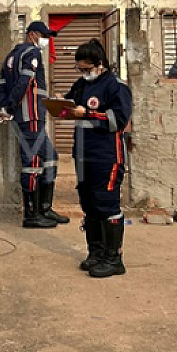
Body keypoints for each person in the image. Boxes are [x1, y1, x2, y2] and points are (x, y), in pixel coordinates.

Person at [63, 39, 132, 278]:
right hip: (83, 154)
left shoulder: (115, 86)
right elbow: (71, 104)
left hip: (107, 155)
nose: (83, 73)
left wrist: (89, 114)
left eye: (87, 68)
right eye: (80, 68)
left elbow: (119, 120)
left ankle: (114, 259)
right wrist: (61, 105)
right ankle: (96, 252)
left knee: (106, 203)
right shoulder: (81, 85)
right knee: (89, 203)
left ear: (99, 64)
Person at [0, 21, 69, 228]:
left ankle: (44, 208)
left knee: (50, 157)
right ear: (32, 34)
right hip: (31, 115)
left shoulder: (11, 56)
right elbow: (25, 82)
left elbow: (2, 86)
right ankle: (31, 215)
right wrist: (10, 107)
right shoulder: (32, 53)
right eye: (44, 36)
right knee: (32, 163)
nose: (46, 40)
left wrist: (5, 106)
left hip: (29, 115)